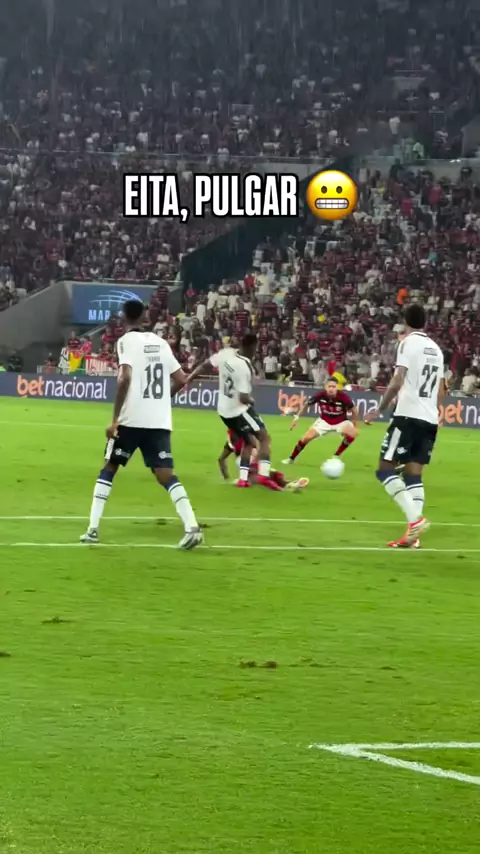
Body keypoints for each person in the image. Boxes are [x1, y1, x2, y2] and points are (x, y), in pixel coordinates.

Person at [80, 299, 202, 550]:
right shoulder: (161, 343)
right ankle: (192, 527)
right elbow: (181, 379)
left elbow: (124, 377)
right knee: (165, 474)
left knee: (110, 466)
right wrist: (162, 399)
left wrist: (115, 419)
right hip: (158, 421)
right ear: (145, 317)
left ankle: (92, 529)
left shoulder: (125, 341)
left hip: (131, 419)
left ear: (124, 317)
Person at [364, 303, 445, 549]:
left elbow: (397, 379)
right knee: (413, 474)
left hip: (408, 416)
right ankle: (413, 536)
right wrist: (435, 411)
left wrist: (380, 408)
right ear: (425, 321)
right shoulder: (437, 349)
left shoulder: (408, 343)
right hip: (429, 419)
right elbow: (441, 388)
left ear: (406, 321)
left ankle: (415, 520)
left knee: (384, 469)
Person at [187, 334, 281, 490]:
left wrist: (189, 379)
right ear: (252, 347)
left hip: (223, 411)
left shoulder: (226, 353)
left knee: (249, 442)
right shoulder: (245, 366)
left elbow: (205, 365)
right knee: (264, 437)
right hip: (238, 410)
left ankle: (243, 480)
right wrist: (252, 400)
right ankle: (263, 476)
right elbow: (244, 398)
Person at [283, 377, 359, 465]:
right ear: (326, 387)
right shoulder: (320, 395)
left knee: (354, 433)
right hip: (324, 421)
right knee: (306, 438)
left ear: (337, 387)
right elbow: (307, 404)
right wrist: (297, 418)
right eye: (329, 386)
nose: (331, 389)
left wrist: (355, 425)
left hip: (340, 421)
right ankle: (291, 459)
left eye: (333, 387)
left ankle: (336, 455)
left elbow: (354, 409)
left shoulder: (343, 397)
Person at [218, 430, 309, 491]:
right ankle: (285, 487)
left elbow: (221, 459)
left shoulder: (238, 437)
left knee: (273, 474)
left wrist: (226, 478)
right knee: (266, 477)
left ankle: (288, 485)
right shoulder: (244, 436)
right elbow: (221, 459)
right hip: (246, 463)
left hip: (249, 464)